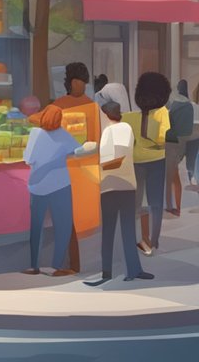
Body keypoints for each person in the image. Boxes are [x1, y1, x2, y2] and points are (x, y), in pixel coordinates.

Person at [23, 104, 97, 277]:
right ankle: (55, 265)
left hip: (37, 186)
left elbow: (28, 159)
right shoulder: (63, 135)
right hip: (60, 186)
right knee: (62, 226)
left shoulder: (35, 134)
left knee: (36, 227)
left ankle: (34, 265)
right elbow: (78, 151)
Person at [86, 99, 152, 286]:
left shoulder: (114, 130)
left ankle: (107, 273)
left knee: (108, 231)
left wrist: (98, 167)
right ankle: (133, 269)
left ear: (106, 114)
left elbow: (118, 157)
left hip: (110, 186)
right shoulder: (125, 129)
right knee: (128, 229)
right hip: (127, 186)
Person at [47, 61, 97, 273]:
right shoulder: (90, 106)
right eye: (82, 82)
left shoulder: (59, 105)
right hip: (82, 170)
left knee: (67, 219)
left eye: (85, 83)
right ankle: (72, 264)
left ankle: (71, 265)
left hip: (66, 170)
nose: (83, 86)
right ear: (74, 82)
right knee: (73, 220)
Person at [127, 72, 171, 256]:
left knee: (137, 202)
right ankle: (153, 241)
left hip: (136, 162)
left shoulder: (129, 117)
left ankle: (138, 239)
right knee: (155, 202)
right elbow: (163, 137)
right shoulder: (162, 114)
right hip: (157, 160)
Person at [164, 79, 193, 216]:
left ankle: (172, 207)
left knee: (171, 176)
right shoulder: (189, 106)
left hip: (170, 142)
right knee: (174, 175)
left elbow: (168, 124)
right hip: (181, 143)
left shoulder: (173, 104)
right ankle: (176, 206)